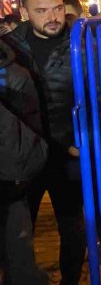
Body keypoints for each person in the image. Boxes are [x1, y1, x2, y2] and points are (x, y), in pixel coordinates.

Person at [2, 0, 86, 285]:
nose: (52, 17)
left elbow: (99, 96)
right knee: (20, 230)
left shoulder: (82, 42)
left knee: (72, 226)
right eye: (41, 11)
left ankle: (71, 279)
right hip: (28, 155)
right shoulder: (10, 46)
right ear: (24, 11)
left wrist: (81, 139)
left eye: (57, 8)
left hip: (68, 154)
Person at [0, 37, 49, 285]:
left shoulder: (15, 75)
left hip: (11, 184)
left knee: (19, 261)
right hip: (14, 181)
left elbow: (27, 146)